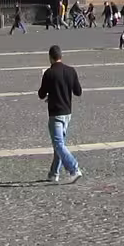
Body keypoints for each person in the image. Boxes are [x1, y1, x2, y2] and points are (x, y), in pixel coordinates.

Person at [38, 45, 83, 184]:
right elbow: (78, 92)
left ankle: (74, 169)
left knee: (58, 144)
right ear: (61, 56)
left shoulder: (49, 73)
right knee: (60, 144)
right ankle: (53, 174)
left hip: (55, 113)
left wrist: (50, 93)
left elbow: (41, 94)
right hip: (67, 113)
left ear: (50, 57)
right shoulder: (71, 71)